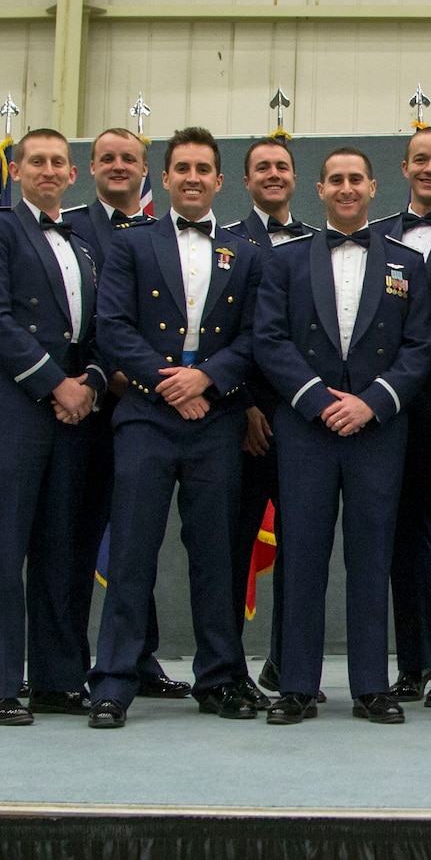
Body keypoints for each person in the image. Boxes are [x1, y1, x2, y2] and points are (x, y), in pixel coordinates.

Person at [85, 128, 270, 728]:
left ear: (219, 180)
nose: (192, 177)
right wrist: (170, 383)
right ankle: (113, 680)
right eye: (181, 168)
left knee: (216, 554)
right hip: (144, 416)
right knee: (133, 549)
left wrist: (207, 380)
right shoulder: (130, 245)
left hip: (215, 420)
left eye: (204, 169)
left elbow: (256, 337)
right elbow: (111, 328)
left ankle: (219, 678)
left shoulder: (247, 253)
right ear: (162, 179)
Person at [252, 148, 431, 724]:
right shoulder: (282, 262)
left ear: (374, 186)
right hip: (306, 427)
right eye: (336, 180)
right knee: (303, 556)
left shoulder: (408, 263)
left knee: (372, 558)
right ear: (321, 189)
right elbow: (270, 340)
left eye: (357, 178)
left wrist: (371, 403)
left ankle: (370, 686)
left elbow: (420, 346)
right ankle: (298, 686)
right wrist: (317, 400)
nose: (347, 188)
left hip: (377, 429)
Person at [0, 127, 106, 726]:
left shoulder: (86, 245)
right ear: (14, 171)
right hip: (21, 403)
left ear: (74, 175)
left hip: (76, 411)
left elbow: (103, 328)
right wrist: (57, 385)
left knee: (63, 549)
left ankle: (56, 678)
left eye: (58, 163)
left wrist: (91, 384)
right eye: (36, 161)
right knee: (1, 544)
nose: (48, 170)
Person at [68, 127, 188, 702]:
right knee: (75, 542)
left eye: (130, 159)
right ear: (88, 167)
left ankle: (139, 659)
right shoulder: (66, 227)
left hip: (149, 403)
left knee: (135, 542)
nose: (119, 167)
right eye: (108, 158)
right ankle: (67, 665)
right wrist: (100, 375)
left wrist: (144, 379)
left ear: (148, 171)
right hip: (78, 407)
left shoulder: (159, 233)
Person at [373, 125, 431, 704]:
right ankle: (412, 663)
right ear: (404, 168)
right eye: (420, 160)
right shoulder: (378, 238)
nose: (430, 169)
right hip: (392, 415)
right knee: (402, 544)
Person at [233, 136, 313, 697]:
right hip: (240, 424)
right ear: (245, 180)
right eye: (262, 167)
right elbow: (228, 330)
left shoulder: (316, 243)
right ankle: (228, 668)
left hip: (304, 421)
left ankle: (286, 661)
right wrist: (245, 407)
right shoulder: (229, 242)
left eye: (282, 166)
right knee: (233, 546)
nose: (273, 174)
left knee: (300, 548)